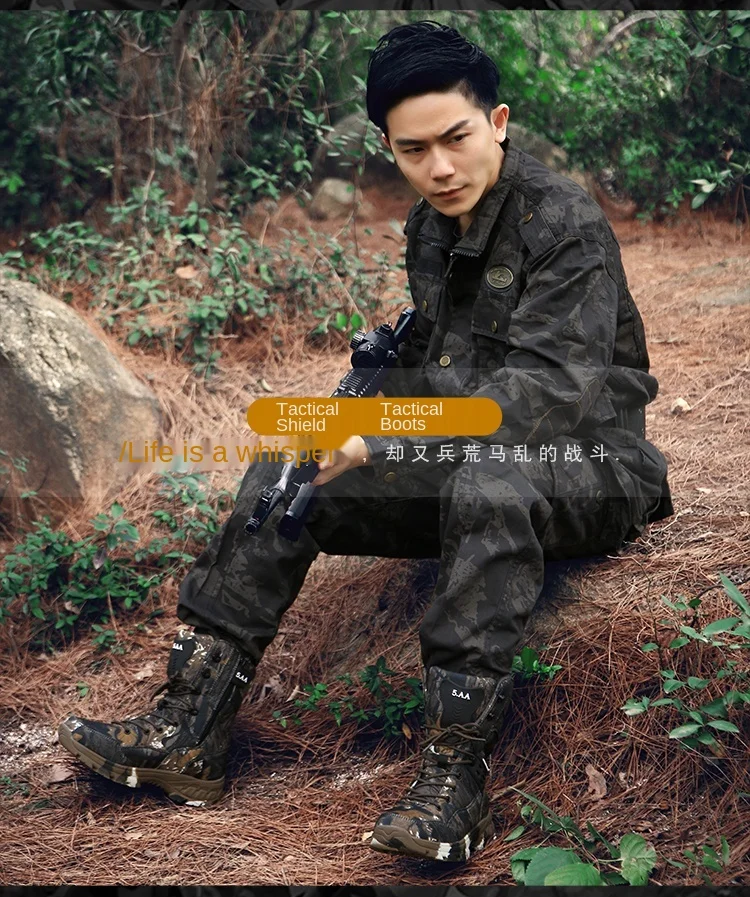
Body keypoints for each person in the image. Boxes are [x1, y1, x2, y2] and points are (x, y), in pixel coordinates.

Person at [58, 21, 673, 863]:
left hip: (589, 461)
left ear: (497, 122)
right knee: (289, 459)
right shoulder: (431, 225)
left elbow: (545, 395)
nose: (440, 167)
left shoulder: (564, 222)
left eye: (456, 138)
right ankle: (188, 728)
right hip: (467, 450)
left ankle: (456, 780)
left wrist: (387, 438)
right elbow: (440, 372)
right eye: (414, 150)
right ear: (389, 147)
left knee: (492, 478)